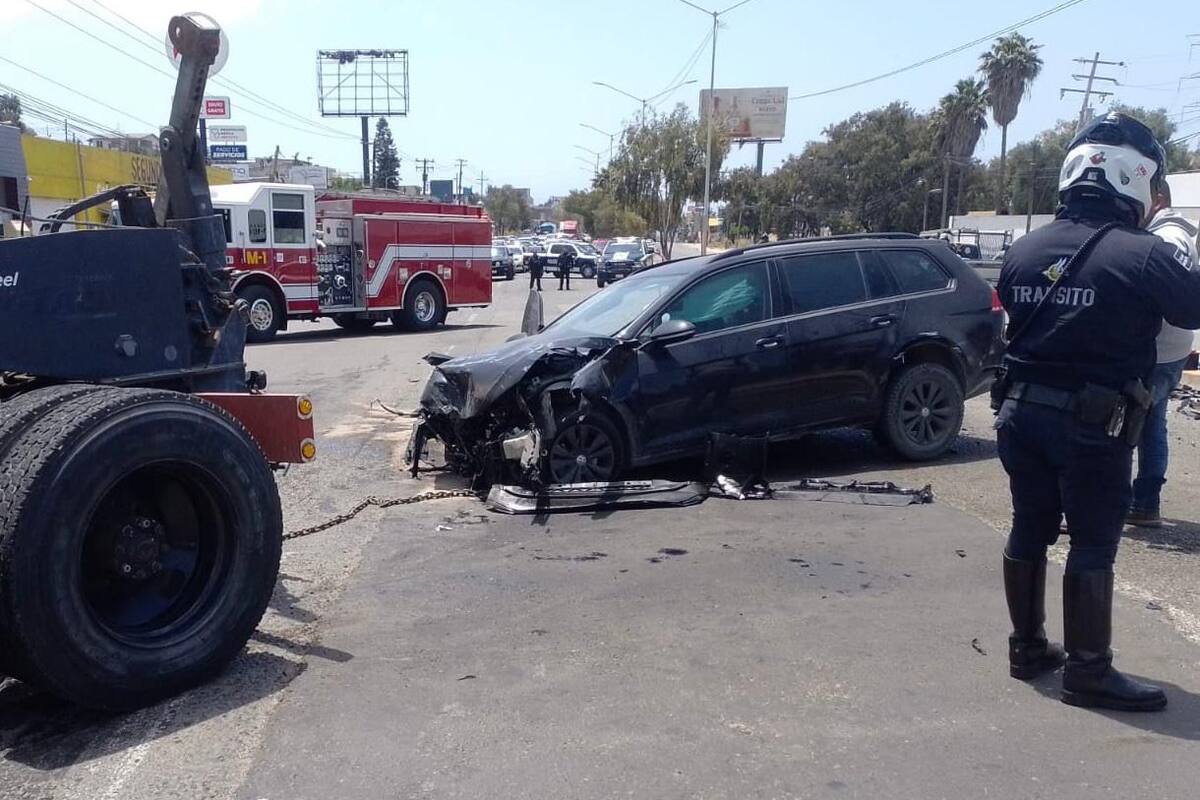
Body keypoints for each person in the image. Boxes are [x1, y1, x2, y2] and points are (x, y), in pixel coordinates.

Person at [995, 112, 1200, 712]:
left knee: (1029, 526)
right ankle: (1088, 671)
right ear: (1135, 180)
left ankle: (1027, 649)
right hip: (1090, 423)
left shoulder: (1022, 250)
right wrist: (1177, 233)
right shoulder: (1143, 253)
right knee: (1092, 542)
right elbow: (1192, 310)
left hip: (1018, 416)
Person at [1128, 181, 1200, 527]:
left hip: (1157, 351)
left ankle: (1121, 503)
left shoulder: (1167, 238)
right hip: (1170, 349)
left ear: (1157, 199)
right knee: (1151, 424)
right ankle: (1144, 503)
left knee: (1125, 425)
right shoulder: (1174, 233)